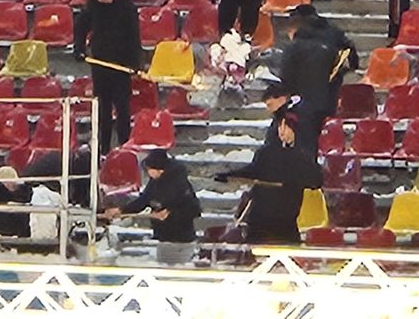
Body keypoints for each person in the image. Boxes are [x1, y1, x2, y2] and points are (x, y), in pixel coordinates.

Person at [216, 113, 323, 245]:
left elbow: (316, 180)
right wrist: (230, 175)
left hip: (285, 217)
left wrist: (292, 182)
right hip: (261, 215)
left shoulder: (304, 154)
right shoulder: (266, 152)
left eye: (286, 126)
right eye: (279, 126)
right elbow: (253, 171)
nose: (282, 131)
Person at [74, 0, 142, 156]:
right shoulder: (93, 6)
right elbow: (80, 27)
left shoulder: (127, 6)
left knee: (122, 107)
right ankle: (103, 148)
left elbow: (134, 37)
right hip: (100, 63)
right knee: (102, 107)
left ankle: (125, 146)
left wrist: (136, 63)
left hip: (121, 64)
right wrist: (79, 49)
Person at [106, 149, 201, 265]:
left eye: (150, 169)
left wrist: (170, 214)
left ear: (160, 169)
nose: (148, 172)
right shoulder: (155, 182)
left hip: (181, 239)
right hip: (163, 237)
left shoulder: (180, 184)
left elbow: (194, 209)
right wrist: (122, 210)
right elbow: (144, 200)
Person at [279, 4, 358, 130]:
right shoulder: (335, 33)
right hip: (329, 95)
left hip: (302, 100)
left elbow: (285, 75)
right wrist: (339, 73)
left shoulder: (296, 44)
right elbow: (353, 61)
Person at [259, 82, 314, 152]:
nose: (269, 110)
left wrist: (293, 140)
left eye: (270, 104)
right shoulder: (278, 118)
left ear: (281, 99)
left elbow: (311, 141)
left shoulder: (304, 113)